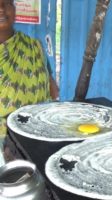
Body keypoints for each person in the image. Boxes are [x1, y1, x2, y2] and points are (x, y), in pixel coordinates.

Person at [0, 0, 58, 163]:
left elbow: (53, 90)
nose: (1, 9)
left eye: (7, 3)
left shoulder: (34, 47)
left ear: (15, 8)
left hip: (32, 138)